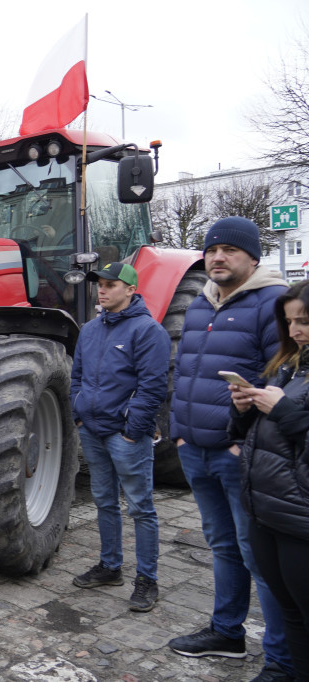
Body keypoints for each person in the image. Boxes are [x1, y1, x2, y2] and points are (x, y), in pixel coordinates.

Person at [169, 216, 295, 681]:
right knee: (222, 545)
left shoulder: (272, 304)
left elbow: (280, 378)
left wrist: (246, 442)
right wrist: (180, 431)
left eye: (229, 250)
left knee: (260, 557)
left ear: (252, 257)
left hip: (237, 454)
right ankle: (228, 632)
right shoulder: (201, 304)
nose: (217, 257)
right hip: (195, 449)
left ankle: (283, 659)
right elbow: (185, 374)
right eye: (211, 250)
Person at [70, 262, 170, 612]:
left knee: (141, 507)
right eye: (101, 284)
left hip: (124, 436)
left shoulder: (148, 331)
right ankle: (110, 566)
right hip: (92, 431)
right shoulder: (90, 330)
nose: (103, 290)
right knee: (104, 501)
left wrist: (132, 430)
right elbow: (77, 377)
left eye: (112, 285)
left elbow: (153, 386)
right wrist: (78, 414)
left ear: (130, 290)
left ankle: (147, 579)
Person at [227, 279, 309, 681]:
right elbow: (261, 435)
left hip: (299, 518)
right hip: (266, 511)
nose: (295, 331)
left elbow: (294, 426)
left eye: (305, 321)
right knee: (290, 610)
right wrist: (244, 409)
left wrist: (283, 411)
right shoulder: (287, 367)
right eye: (290, 321)